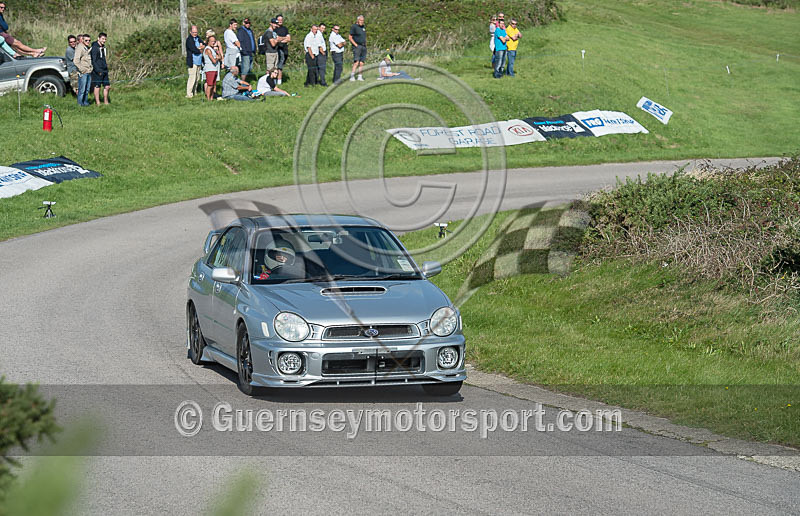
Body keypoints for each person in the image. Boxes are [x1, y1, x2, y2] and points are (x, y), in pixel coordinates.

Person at [90, 32, 110, 105]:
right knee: (97, 86)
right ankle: (98, 102)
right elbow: (93, 60)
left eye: (105, 39)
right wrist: (98, 70)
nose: (104, 40)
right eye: (102, 39)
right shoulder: (95, 47)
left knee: (107, 86)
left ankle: (106, 101)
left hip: (104, 69)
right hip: (98, 70)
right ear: (98, 38)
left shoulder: (103, 47)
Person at [185, 25, 204, 98]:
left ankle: (194, 91)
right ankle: (189, 94)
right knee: (192, 78)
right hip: (192, 61)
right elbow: (193, 49)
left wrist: (201, 47)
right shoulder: (189, 40)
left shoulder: (198, 38)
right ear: (190, 32)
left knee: (197, 78)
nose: (195, 34)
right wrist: (200, 49)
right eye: (193, 32)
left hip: (199, 61)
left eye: (196, 32)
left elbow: (203, 44)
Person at [73, 34, 92, 106]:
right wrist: (82, 70)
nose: (88, 42)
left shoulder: (87, 48)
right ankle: (80, 104)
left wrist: (91, 68)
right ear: (82, 40)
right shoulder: (80, 48)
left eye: (89, 40)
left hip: (89, 71)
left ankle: (85, 102)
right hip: (83, 72)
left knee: (87, 89)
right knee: (82, 90)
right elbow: (76, 61)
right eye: (86, 40)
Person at [202, 34, 222, 100]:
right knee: (210, 85)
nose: (213, 43)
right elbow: (213, 60)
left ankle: (211, 98)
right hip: (209, 69)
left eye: (214, 41)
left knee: (213, 85)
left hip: (214, 69)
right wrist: (217, 58)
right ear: (208, 42)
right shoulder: (208, 49)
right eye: (212, 41)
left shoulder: (213, 49)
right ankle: (208, 99)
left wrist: (218, 53)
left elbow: (220, 57)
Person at [274, 14, 291, 85]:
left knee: (281, 66)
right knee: (275, 66)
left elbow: (289, 39)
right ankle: (274, 81)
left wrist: (280, 39)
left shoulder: (285, 29)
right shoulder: (274, 29)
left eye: (281, 19)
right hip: (276, 49)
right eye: (279, 20)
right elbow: (276, 39)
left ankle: (279, 81)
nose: (280, 21)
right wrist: (284, 38)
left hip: (284, 49)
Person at [348, 15, 366, 81]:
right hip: (357, 46)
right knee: (356, 62)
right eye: (360, 20)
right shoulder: (354, 27)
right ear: (358, 20)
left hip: (363, 46)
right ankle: (352, 76)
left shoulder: (363, 27)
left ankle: (360, 76)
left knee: (362, 62)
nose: (362, 21)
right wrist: (356, 45)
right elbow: (350, 37)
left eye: (363, 20)